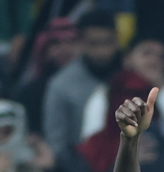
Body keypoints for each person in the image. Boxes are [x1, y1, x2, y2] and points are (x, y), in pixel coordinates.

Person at [80, 36, 164, 160]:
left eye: (161, 56)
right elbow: (91, 146)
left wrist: (162, 90)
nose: (154, 60)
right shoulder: (106, 94)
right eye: (147, 53)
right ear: (128, 60)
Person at [43, 9, 120, 161]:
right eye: (93, 44)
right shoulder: (61, 85)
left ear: (117, 41)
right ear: (80, 43)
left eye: (107, 42)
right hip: (83, 170)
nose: (101, 51)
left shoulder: (132, 75)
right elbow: (57, 145)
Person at [14, 17, 77, 136]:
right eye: (56, 43)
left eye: (71, 42)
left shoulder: (101, 87)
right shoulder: (29, 93)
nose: (65, 49)